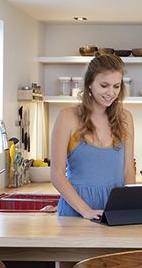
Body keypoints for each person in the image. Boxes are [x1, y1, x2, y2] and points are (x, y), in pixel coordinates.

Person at [50, 53, 135, 219]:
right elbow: (57, 174)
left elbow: (128, 169)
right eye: (104, 85)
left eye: (116, 86)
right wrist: (85, 211)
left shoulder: (125, 118)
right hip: (76, 209)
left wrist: (128, 207)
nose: (111, 92)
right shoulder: (67, 117)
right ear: (89, 84)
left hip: (113, 206)